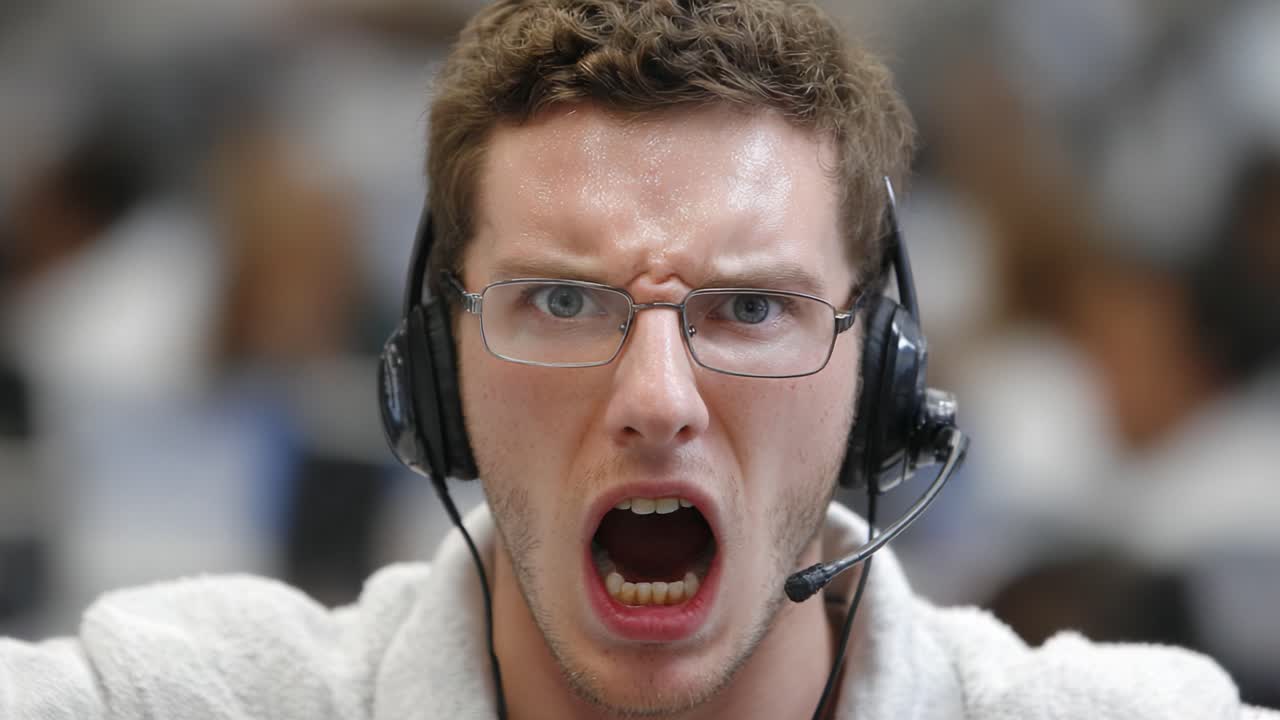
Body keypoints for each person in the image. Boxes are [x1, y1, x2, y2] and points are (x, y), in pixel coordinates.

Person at [0, 1, 1274, 719]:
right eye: (560, 300)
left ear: (878, 374)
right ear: (434, 373)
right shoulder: (180, 701)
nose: (656, 402)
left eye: (749, 310)